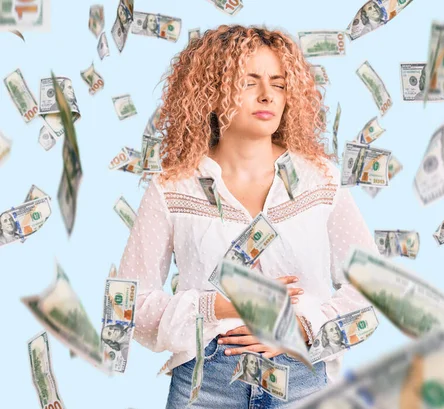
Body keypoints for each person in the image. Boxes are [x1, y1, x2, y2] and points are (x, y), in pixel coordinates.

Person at [117, 25, 378, 409]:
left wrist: (300, 327)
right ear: (211, 91)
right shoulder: (173, 188)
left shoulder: (319, 180)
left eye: (278, 83)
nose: (267, 95)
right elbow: (129, 305)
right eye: (249, 81)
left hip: (304, 381)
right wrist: (220, 306)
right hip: (206, 387)